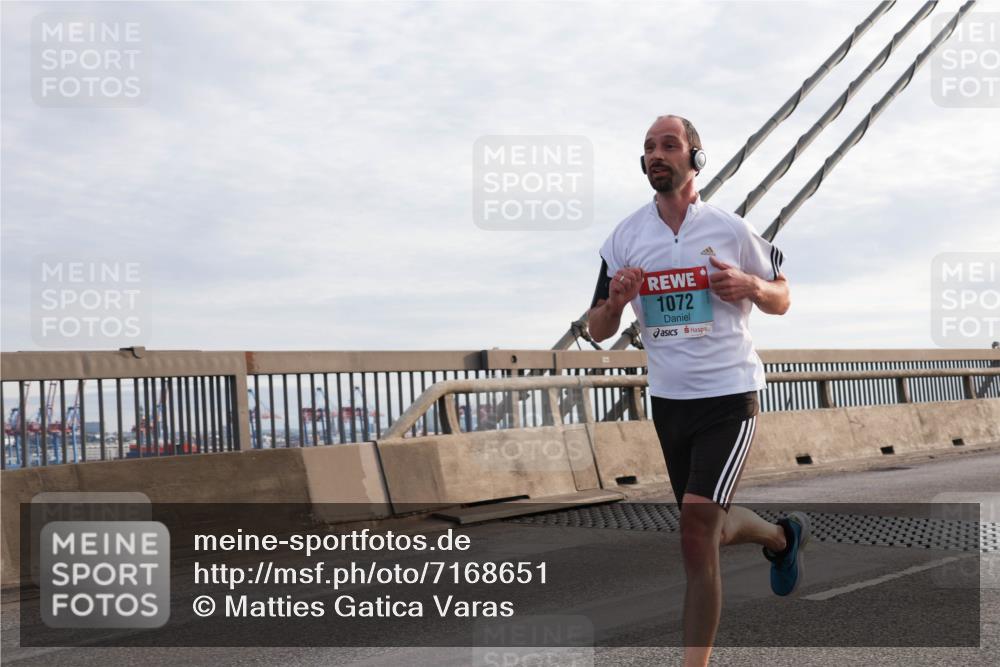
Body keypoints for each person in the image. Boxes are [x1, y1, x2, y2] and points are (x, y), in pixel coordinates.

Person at [587, 114, 810, 667]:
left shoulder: (729, 229)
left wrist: (750, 285)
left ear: (696, 158)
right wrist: (616, 302)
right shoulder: (624, 238)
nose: (656, 154)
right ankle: (781, 538)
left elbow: (783, 296)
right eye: (648, 147)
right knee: (705, 528)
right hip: (669, 403)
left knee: (694, 532)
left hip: (729, 395)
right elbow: (598, 328)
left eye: (669, 145)